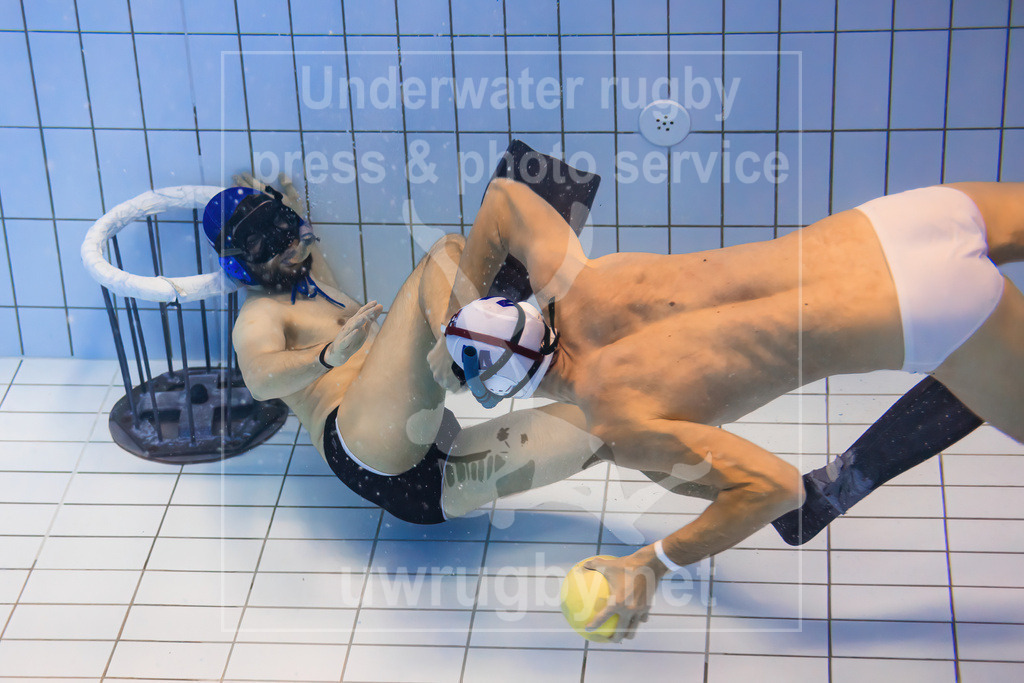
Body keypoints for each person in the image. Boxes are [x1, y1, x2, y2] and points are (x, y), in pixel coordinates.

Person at [432, 177, 1024, 640]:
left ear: (503, 393)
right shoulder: (573, 280)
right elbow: (505, 198)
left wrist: (651, 564)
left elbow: (777, 488)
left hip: (923, 311)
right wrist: (460, 311)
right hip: (897, 223)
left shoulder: (617, 420)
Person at [204, 174, 606, 526]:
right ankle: (465, 339)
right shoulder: (260, 314)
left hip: (430, 478)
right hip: (364, 443)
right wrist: (327, 356)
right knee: (445, 250)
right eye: (273, 247)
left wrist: (283, 206)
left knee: (608, 419)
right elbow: (258, 380)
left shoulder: (310, 281)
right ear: (241, 266)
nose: (292, 250)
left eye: (289, 232)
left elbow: (298, 248)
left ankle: (472, 337)